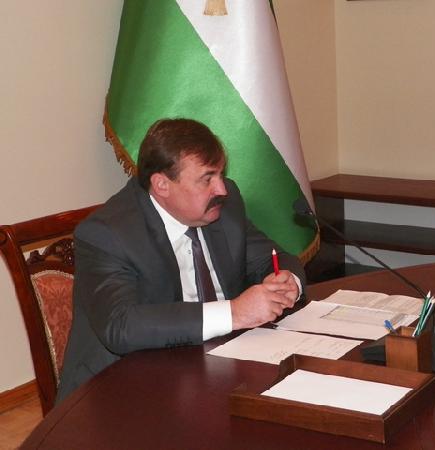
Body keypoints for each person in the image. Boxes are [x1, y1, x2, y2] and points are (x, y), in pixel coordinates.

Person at [57, 118, 305, 403]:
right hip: (122, 391)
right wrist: (234, 312)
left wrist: (288, 281)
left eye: (220, 174)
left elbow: (271, 258)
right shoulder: (108, 233)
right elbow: (121, 326)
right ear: (162, 184)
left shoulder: (223, 205)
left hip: (215, 368)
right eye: (207, 179)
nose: (222, 189)